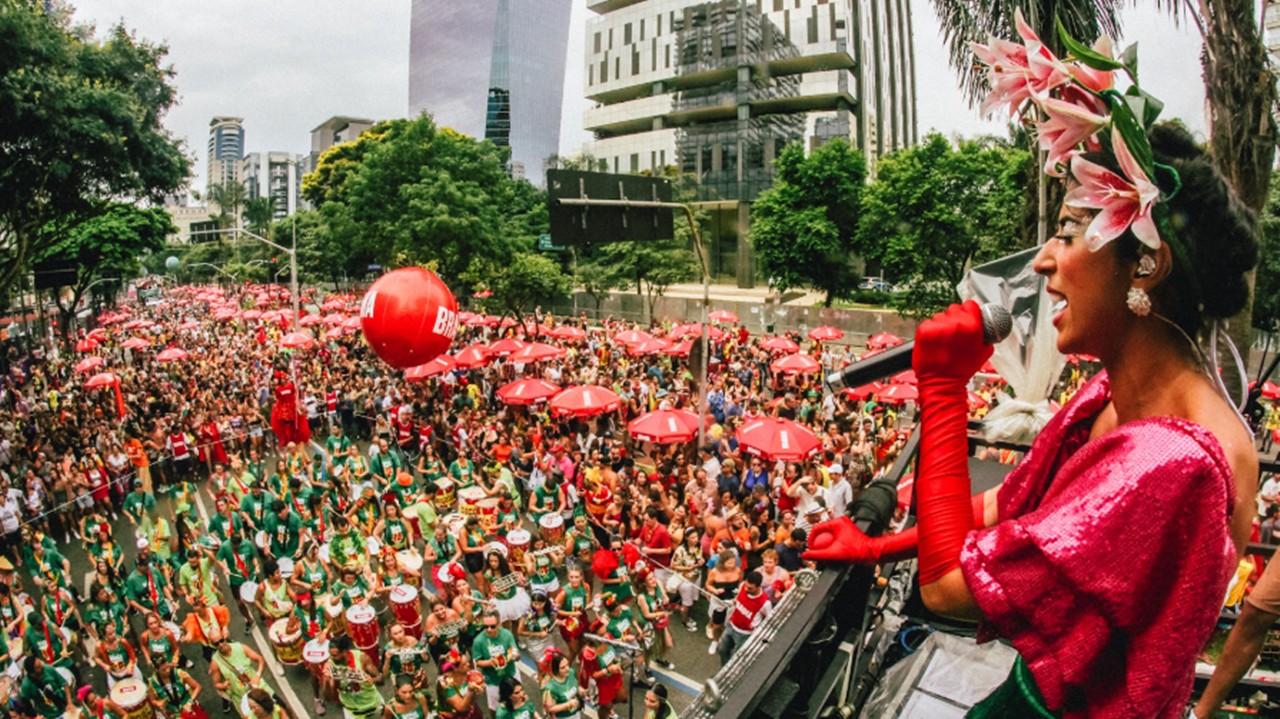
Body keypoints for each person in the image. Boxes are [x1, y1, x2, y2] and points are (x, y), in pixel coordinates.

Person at [805, 101, 1261, 719]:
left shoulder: (1175, 462)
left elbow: (946, 591)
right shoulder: (1111, 394)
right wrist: (876, 547)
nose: (1043, 259)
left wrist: (942, 389)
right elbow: (1009, 504)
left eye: (1070, 233)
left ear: (1147, 266)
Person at [471, 609, 519, 713]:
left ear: (499, 623)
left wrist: (513, 656)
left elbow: (515, 652)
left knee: (517, 701)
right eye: (485, 626)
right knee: (495, 708)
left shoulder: (507, 634)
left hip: (511, 674)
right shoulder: (478, 641)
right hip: (493, 681)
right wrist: (489, 663)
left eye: (492, 626)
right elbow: (477, 661)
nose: (489, 629)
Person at [208, 637, 270, 717]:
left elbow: (260, 659)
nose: (220, 644)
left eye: (221, 640)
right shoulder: (215, 662)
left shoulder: (239, 647)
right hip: (241, 698)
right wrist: (224, 685)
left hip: (258, 688)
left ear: (225, 638)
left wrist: (257, 676)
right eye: (216, 644)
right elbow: (216, 684)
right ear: (213, 645)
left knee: (278, 709)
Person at [326, 634, 383, 719]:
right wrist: (326, 680)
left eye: (334, 655)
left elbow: (381, 679)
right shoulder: (330, 666)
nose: (331, 658)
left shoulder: (361, 658)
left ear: (344, 652)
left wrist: (372, 680)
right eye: (330, 654)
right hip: (353, 711)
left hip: (373, 704)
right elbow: (328, 697)